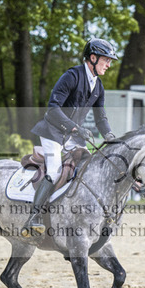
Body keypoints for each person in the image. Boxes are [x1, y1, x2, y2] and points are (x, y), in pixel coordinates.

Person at [22, 38, 118, 236]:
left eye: (110, 61)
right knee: (55, 170)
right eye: (106, 60)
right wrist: (75, 128)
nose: (109, 65)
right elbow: (53, 109)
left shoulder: (98, 87)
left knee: (89, 169)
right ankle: (33, 217)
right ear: (93, 58)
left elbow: (101, 118)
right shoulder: (72, 76)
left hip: (73, 137)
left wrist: (109, 135)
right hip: (53, 132)